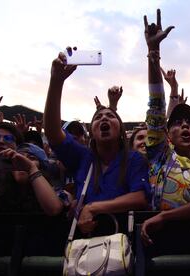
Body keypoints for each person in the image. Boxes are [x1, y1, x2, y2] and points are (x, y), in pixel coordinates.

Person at [44, 52, 150, 234]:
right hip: (84, 246)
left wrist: (93, 208)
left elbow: (140, 197)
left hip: (122, 243)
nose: (104, 119)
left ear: (121, 131)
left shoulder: (133, 159)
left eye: (110, 116)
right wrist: (56, 81)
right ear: (92, 132)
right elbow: (53, 133)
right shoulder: (82, 157)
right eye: (98, 117)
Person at [140, 9, 190, 246]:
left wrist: (167, 216)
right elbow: (156, 104)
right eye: (177, 123)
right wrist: (153, 52)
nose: (185, 125)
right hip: (154, 242)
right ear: (166, 133)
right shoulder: (159, 156)